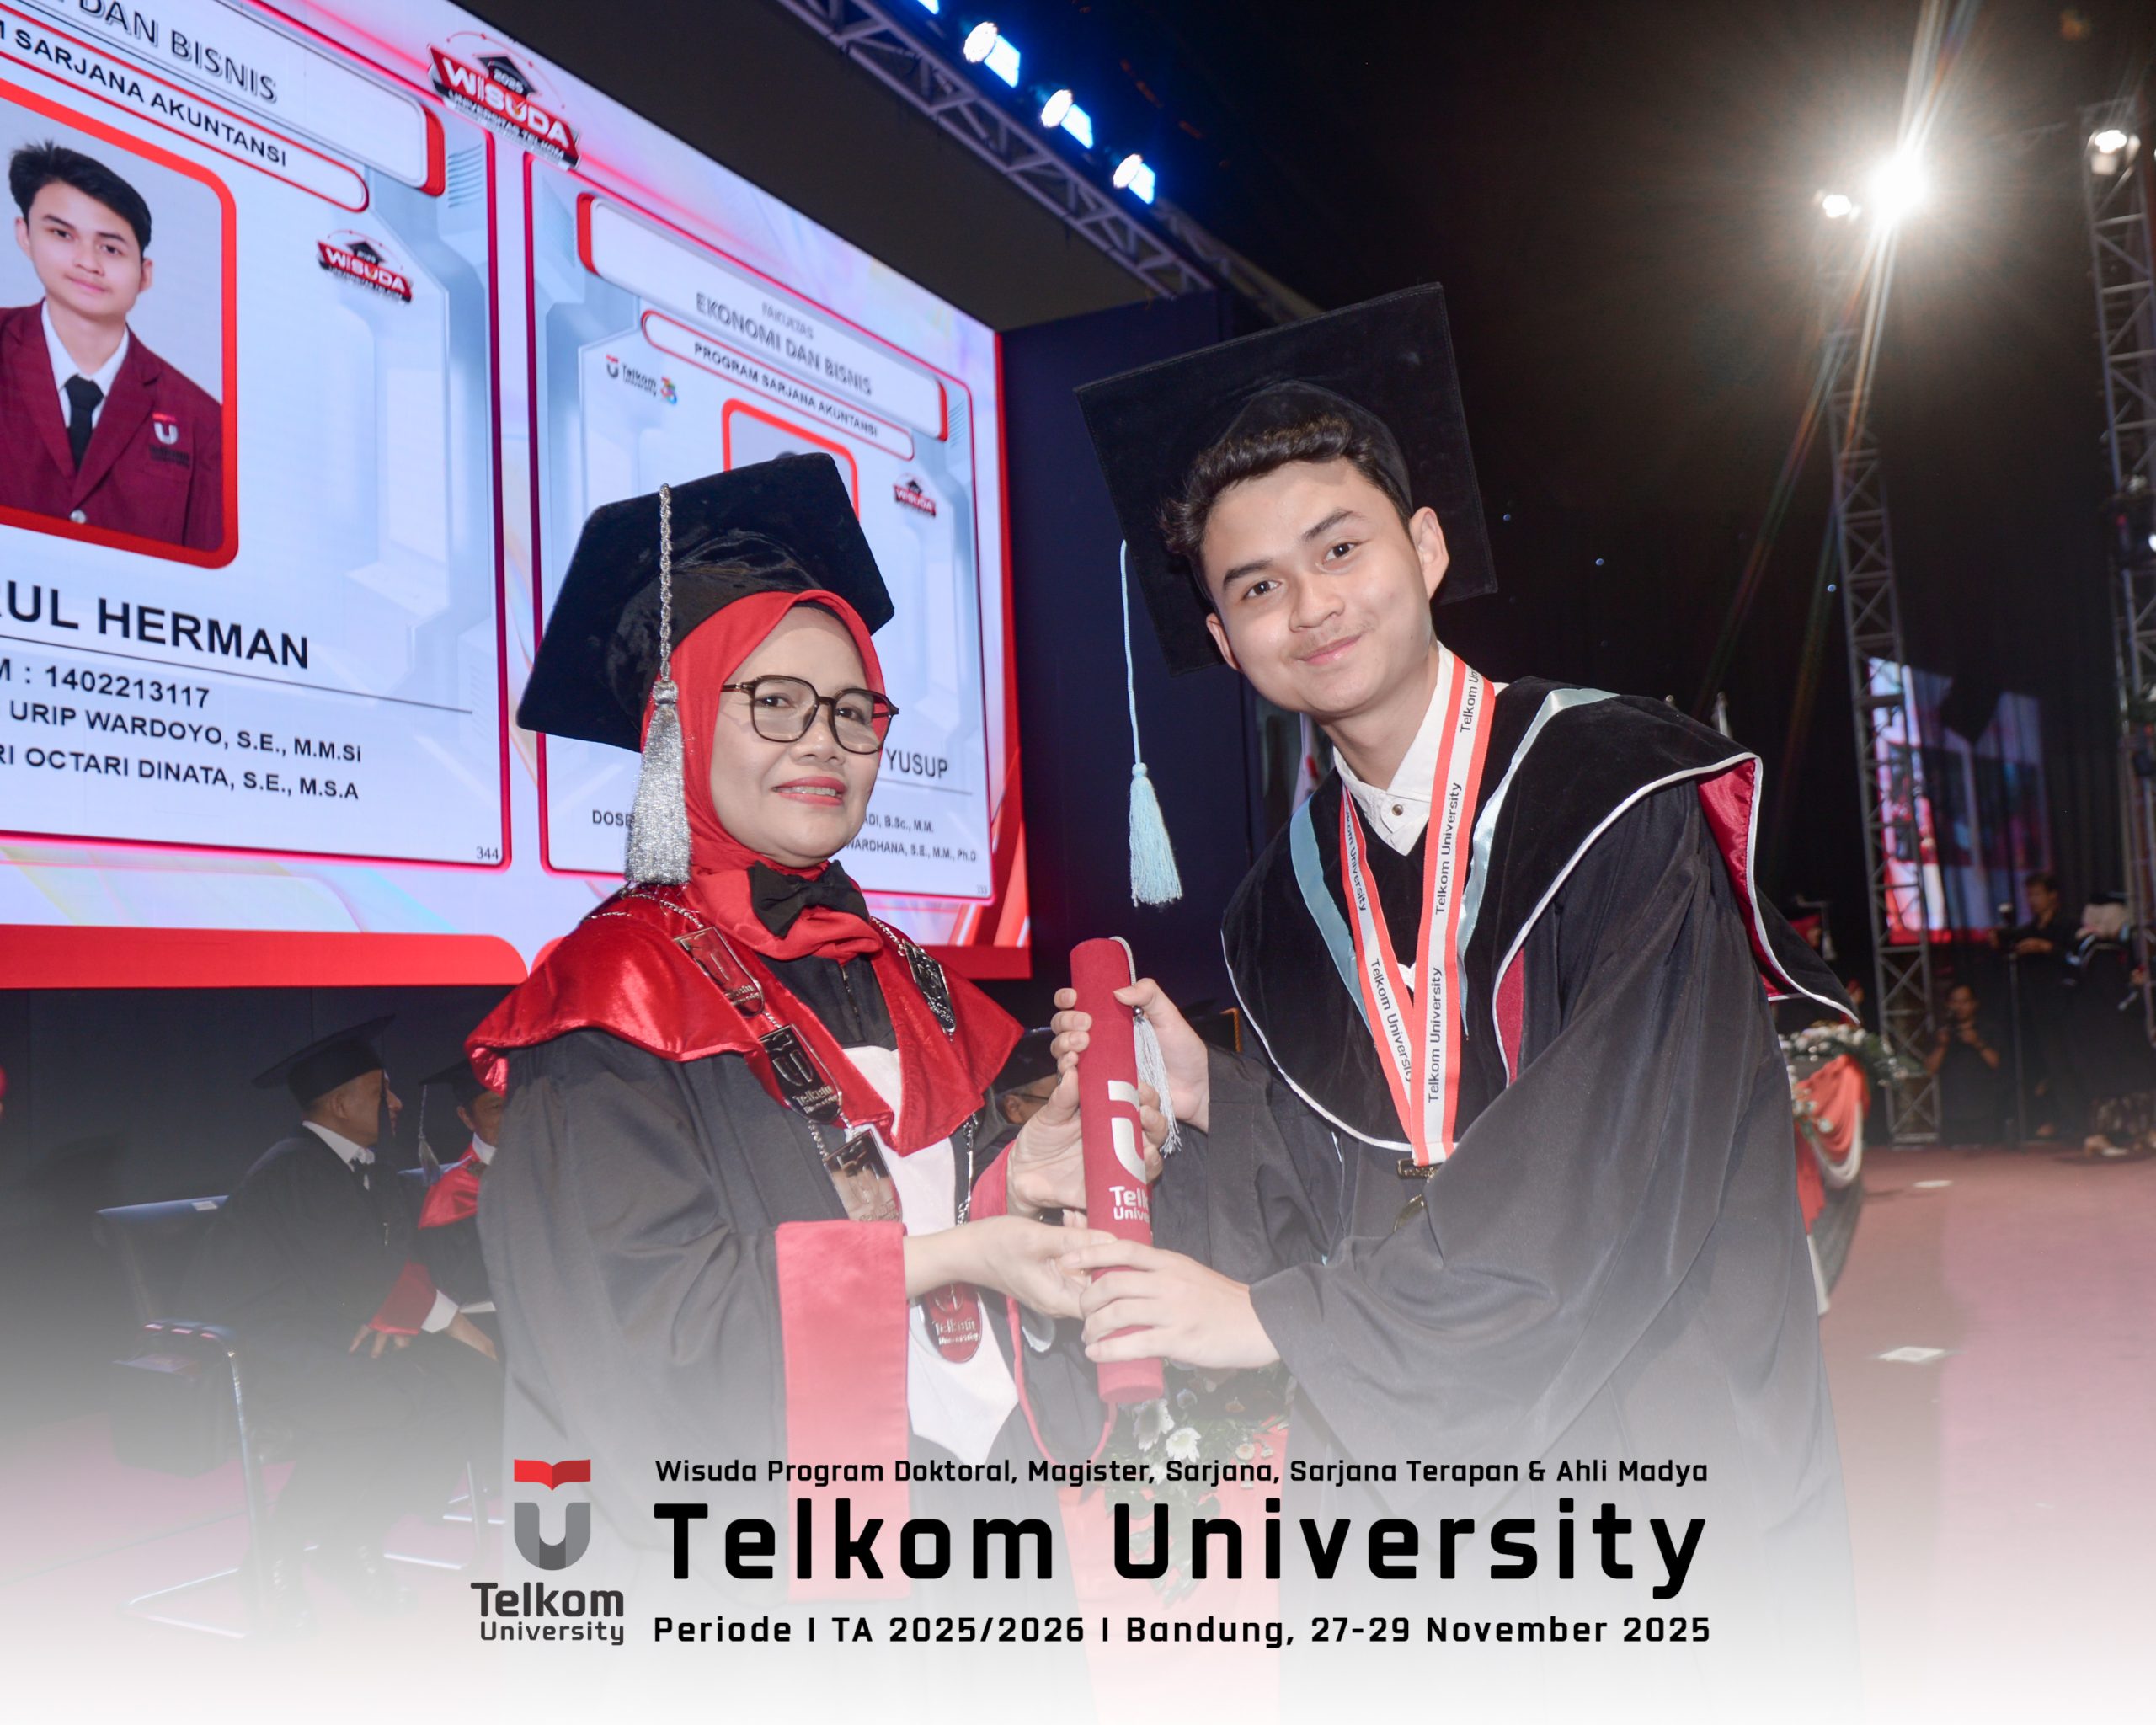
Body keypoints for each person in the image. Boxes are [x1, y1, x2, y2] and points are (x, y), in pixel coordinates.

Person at [1063, 287, 1858, 1714]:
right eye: (1257, 587)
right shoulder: (1278, 908)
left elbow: (1603, 1191)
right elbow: (1344, 1190)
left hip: (1657, 1464)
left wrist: (1281, 1322)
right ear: (1226, 640)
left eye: (1340, 548)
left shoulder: (1614, 801)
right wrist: (1209, 1099)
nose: (1311, 606)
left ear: (1426, 549)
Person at [467, 456, 1160, 1624]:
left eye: (852, 710)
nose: (825, 742)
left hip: (983, 1518)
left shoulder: (910, 977)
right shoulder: (608, 1001)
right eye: (774, 701)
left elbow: (916, 1204)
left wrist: (1024, 1179)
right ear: (680, 721)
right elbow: (646, 1338)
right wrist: (954, 1255)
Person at [180, 1017, 500, 1631]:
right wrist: (453, 1323)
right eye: (381, 1091)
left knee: (453, 1392)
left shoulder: (365, 1167)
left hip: (328, 1332)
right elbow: (359, 1270)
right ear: (340, 1103)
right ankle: (272, 1557)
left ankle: (352, 1538)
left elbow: (389, 1264)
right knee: (372, 1404)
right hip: (258, 1345)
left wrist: (392, 1316)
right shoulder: (296, 1168)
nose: (395, 1103)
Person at [3, 142, 222, 551]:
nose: (88, 263)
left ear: (144, 274)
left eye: (110, 248)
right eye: (62, 234)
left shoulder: (203, 422)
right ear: (25, 235)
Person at [410, 1056, 503, 1315]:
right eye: (496, 1107)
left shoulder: (558, 1169)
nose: (513, 1117)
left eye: (520, 1104)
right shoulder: (453, 1193)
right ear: (466, 1117)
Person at [1998, 869, 2080, 1137]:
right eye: (2029, 895)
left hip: (2067, 1006)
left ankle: (2084, 1123)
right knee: (2051, 1067)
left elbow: (2079, 960)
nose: (2032, 900)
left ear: (2053, 896)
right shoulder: (2027, 931)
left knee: (2074, 1064)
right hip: (2038, 1008)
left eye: (2037, 894)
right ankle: (2063, 1121)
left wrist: (2048, 948)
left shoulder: (2068, 926)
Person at [1924, 981, 2008, 1144]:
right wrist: (1942, 1046)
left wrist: (1977, 1043)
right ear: (1948, 1004)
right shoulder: (1941, 1033)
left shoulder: (1989, 1029)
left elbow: (1998, 1064)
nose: (1960, 1007)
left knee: (1988, 1153)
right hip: (1951, 1112)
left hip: (1985, 1110)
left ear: (1974, 1004)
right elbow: (1929, 1070)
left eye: (1965, 1002)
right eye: (1955, 1002)